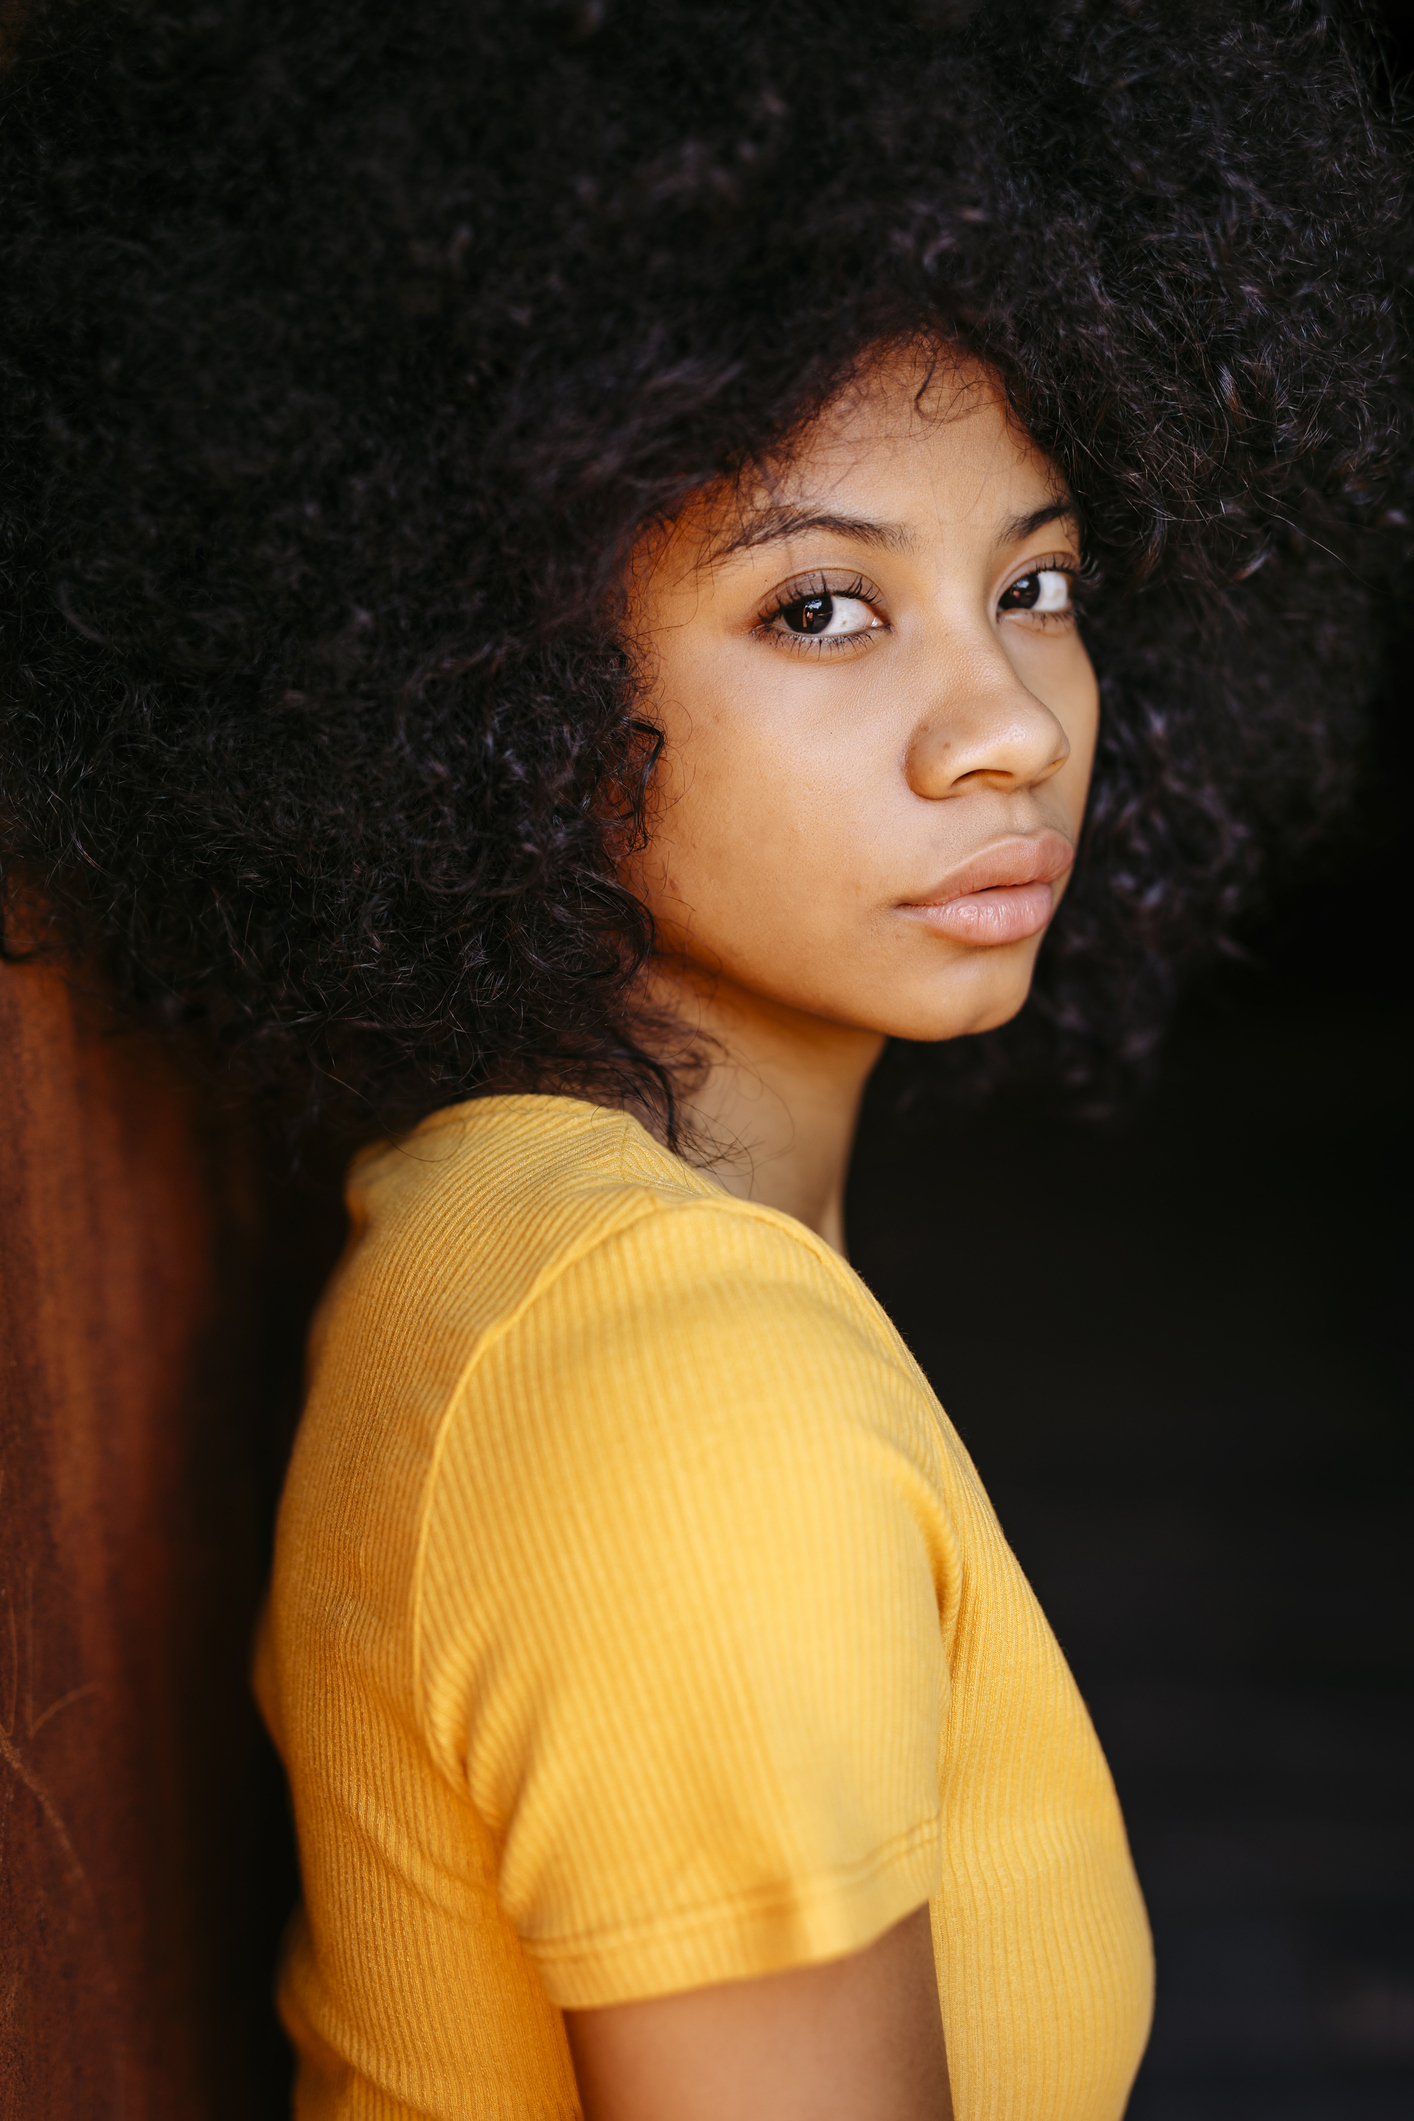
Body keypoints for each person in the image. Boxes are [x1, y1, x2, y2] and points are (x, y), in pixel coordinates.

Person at [0, 4, 1407, 2117]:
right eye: (822, 610)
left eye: (1034, 580)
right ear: (491, 669)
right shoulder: (672, 1384)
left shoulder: (524, 1232)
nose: (1007, 721)